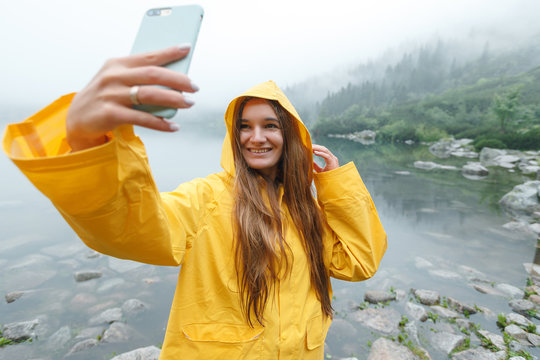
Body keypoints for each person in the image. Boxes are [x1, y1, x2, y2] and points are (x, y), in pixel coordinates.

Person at [3, 45, 387, 359]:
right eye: (244, 126)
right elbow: (132, 228)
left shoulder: (306, 210)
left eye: (270, 125)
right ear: (233, 136)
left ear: (290, 134)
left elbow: (359, 262)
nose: (256, 137)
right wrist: (86, 144)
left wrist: (335, 185)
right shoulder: (206, 197)